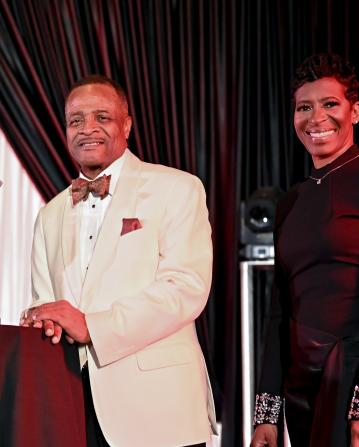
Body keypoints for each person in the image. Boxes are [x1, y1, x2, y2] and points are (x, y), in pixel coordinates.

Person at [21, 75, 217, 446]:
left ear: (127, 124)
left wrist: (91, 325)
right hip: (74, 407)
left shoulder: (176, 187)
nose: (87, 129)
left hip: (159, 409)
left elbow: (185, 288)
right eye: (76, 120)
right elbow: (46, 301)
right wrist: (42, 319)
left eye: (102, 117)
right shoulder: (50, 213)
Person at [251, 54, 359, 447]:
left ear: (355, 111)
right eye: (304, 107)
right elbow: (280, 311)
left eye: (330, 104)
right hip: (304, 383)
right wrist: (267, 414)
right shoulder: (290, 202)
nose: (316, 118)